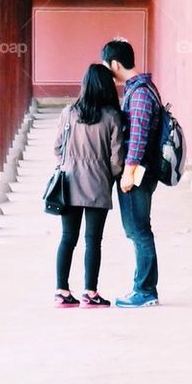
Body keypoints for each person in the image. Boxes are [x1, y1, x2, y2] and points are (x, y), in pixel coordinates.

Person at [52, 63, 125, 308]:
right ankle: (90, 293)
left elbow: (57, 148)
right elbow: (117, 159)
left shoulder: (68, 113)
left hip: (69, 183)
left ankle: (61, 291)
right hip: (98, 183)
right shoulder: (112, 116)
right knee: (93, 240)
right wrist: (110, 174)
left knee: (67, 238)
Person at [101, 38, 162, 308]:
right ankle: (144, 288)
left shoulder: (138, 94)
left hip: (138, 173)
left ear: (115, 64)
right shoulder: (142, 88)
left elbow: (136, 138)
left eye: (106, 65)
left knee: (139, 230)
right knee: (138, 229)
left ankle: (145, 290)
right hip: (142, 171)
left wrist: (128, 172)